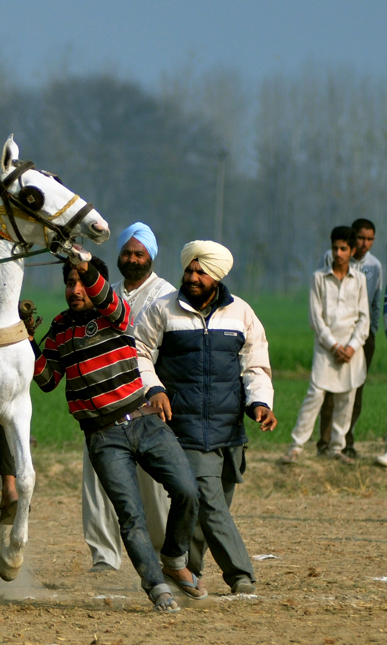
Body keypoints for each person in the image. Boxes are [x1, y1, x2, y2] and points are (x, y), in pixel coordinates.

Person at [32, 252, 202, 613]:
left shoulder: (116, 309)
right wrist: (27, 339)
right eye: (69, 282)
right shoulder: (61, 328)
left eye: (81, 282)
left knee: (187, 490)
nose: (75, 289)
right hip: (103, 438)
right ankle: (157, 587)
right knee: (131, 516)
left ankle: (173, 557)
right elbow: (46, 380)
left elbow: (105, 295)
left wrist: (83, 261)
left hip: (145, 421)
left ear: (96, 283)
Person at [136, 240, 277, 596]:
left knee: (206, 507)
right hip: (183, 428)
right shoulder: (162, 311)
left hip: (230, 429)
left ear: (217, 276)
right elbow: (136, 354)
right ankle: (241, 574)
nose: (193, 277)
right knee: (209, 501)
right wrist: (154, 389)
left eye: (201, 272)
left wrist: (260, 402)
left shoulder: (241, 313)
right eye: (189, 270)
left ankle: (185, 570)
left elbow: (255, 363)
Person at [82, 223, 175, 572]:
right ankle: (104, 556)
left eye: (139, 253)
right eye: (127, 252)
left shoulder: (167, 295)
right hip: (103, 401)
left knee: (152, 484)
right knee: (98, 480)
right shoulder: (105, 293)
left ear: (151, 256)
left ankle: (160, 551)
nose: (133, 258)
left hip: (148, 401)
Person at [282, 227, 370, 465]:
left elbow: (364, 318)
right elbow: (316, 318)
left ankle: (336, 448)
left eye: (343, 249)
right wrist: (333, 345)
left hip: (352, 352)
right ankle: (296, 447)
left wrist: (351, 347)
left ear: (352, 251)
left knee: (346, 398)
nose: (338, 253)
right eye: (335, 248)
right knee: (315, 395)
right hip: (326, 348)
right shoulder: (319, 278)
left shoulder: (360, 279)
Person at [315, 219, 381, 459]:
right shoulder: (333, 259)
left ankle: (346, 441)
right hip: (335, 334)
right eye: (361, 238)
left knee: (355, 390)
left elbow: (374, 303)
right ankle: (324, 443)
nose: (365, 243)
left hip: (362, 336)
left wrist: (369, 333)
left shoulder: (375, 266)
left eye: (370, 239)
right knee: (329, 390)